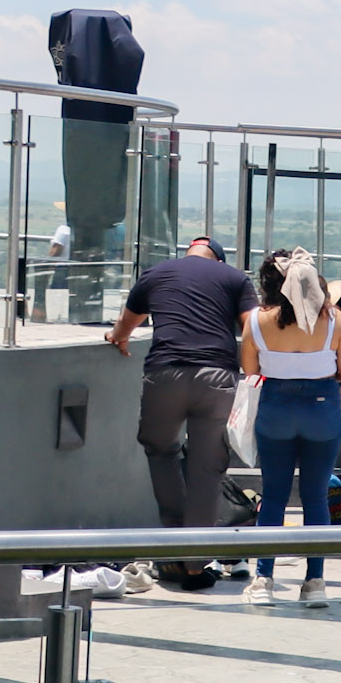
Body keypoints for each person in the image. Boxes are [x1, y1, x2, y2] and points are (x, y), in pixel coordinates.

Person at [110, 235, 258, 581]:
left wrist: (118, 338)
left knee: (161, 450)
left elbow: (127, 323)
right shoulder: (234, 278)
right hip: (217, 376)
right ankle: (196, 562)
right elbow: (252, 328)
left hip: (165, 374)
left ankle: (173, 545)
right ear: (218, 260)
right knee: (207, 468)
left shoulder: (155, 274)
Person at [239, 248, 341, 609]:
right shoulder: (333, 320)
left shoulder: (257, 321)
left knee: (273, 496)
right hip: (322, 410)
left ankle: (263, 580)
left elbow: (249, 367)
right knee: (316, 497)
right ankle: (315, 582)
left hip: (276, 408)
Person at [47, 9, 144, 323]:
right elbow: (133, 55)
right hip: (107, 144)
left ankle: (84, 310)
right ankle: (86, 310)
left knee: (87, 222)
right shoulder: (117, 60)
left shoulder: (75, 70)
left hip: (80, 145)